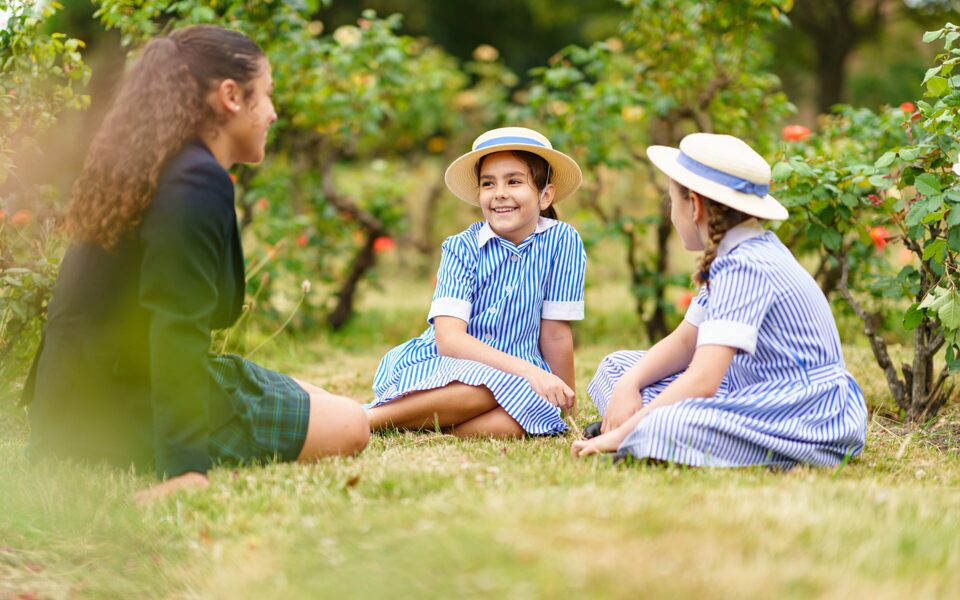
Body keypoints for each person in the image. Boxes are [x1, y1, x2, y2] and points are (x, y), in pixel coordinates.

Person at [21, 25, 369, 500]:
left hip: (80, 401)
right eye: (266, 94)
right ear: (231, 97)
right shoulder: (195, 182)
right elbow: (176, 325)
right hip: (117, 408)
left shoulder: (158, 167)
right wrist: (184, 468)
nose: (273, 112)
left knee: (325, 400)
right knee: (351, 426)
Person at [571, 133, 867, 467]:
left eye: (672, 202)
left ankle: (643, 434)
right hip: (747, 388)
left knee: (666, 424)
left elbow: (703, 380)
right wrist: (630, 384)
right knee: (616, 368)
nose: (671, 213)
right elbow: (686, 342)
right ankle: (646, 428)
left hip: (805, 412)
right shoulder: (733, 253)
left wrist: (623, 433)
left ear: (695, 206)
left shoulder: (745, 266)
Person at [367, 127, 586, 437]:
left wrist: (566, 406)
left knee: (524, 420)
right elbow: (449, 339)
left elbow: (555, 333)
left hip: (519, 374)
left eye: (514, 181)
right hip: (450, 365)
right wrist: (528, 371)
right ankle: (368, 419)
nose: (499, 193)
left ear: (545, 195)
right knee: (490, 384)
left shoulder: (563, 241)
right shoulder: (461, 247)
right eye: (488, 183)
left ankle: (427, 425)